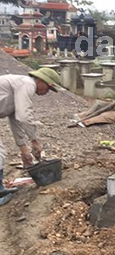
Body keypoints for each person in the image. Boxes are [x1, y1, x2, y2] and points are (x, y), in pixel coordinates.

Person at [0, 67, 61, 205]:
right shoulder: (27, 84)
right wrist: (34, 141)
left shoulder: (19, 85)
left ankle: (0, 189)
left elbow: (16, 119)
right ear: (41, 80)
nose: (47, 92)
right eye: (48, 88)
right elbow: (24, 116)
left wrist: (24, 149)